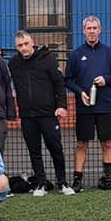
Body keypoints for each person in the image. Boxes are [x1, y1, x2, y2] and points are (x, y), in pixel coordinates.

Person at [8, 30, 73, 196]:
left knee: (55, 148)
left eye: (26, 44)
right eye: (19, 46)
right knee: (34, 151)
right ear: (16, 47)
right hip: (27, 116)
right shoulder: (14, 63)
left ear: (32, 43)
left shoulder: (48, 59)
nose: (23, 48)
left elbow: (59, 83)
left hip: (48, 114)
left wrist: (62, 106)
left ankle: (63, 182)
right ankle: (41, 184)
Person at [64, 16, 111, 192]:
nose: (91, 31)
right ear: (83, 31)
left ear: (100, 30)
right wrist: (80, 92)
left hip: (104, 106)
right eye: (88, 28)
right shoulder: (75, 54)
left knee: (107, 143)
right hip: (84, 108)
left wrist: (106, 80)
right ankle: (77, 180)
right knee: (82, 143)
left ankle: (110, 179)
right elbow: (67, 80)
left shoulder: (109, 53)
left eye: (94, 28)